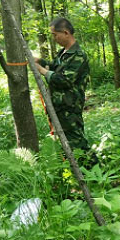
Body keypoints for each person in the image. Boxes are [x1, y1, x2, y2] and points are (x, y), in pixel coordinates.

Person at [35, 17, 91, 153]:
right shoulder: (63, 53)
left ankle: (92, 166)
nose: (54, 38)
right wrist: (40, 61)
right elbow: (54, 67)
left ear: (66, 33)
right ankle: (74, 165)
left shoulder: (78, 56)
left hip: (70, 108)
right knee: (66, 145)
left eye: (55, 35)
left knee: (78, 145)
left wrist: (42, 71)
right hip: (60, 106)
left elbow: (65, 80)